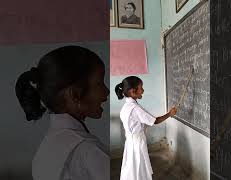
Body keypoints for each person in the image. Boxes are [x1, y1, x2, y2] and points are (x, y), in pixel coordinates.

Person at [15, 45, 110, 180]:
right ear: (75, 94)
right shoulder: (88, 150)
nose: (106, 92)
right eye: (100, 83)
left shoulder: (46, 148)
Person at [115, 76, 177, 180]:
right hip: (137, 142)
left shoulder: (126, 106)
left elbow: (141, 121)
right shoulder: (135, 109)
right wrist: (170, 114)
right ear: (132, 91)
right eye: (140, 88)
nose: (143, 90)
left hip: (131, 141)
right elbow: (155, 121)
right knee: (139, 167)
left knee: (132, 166)